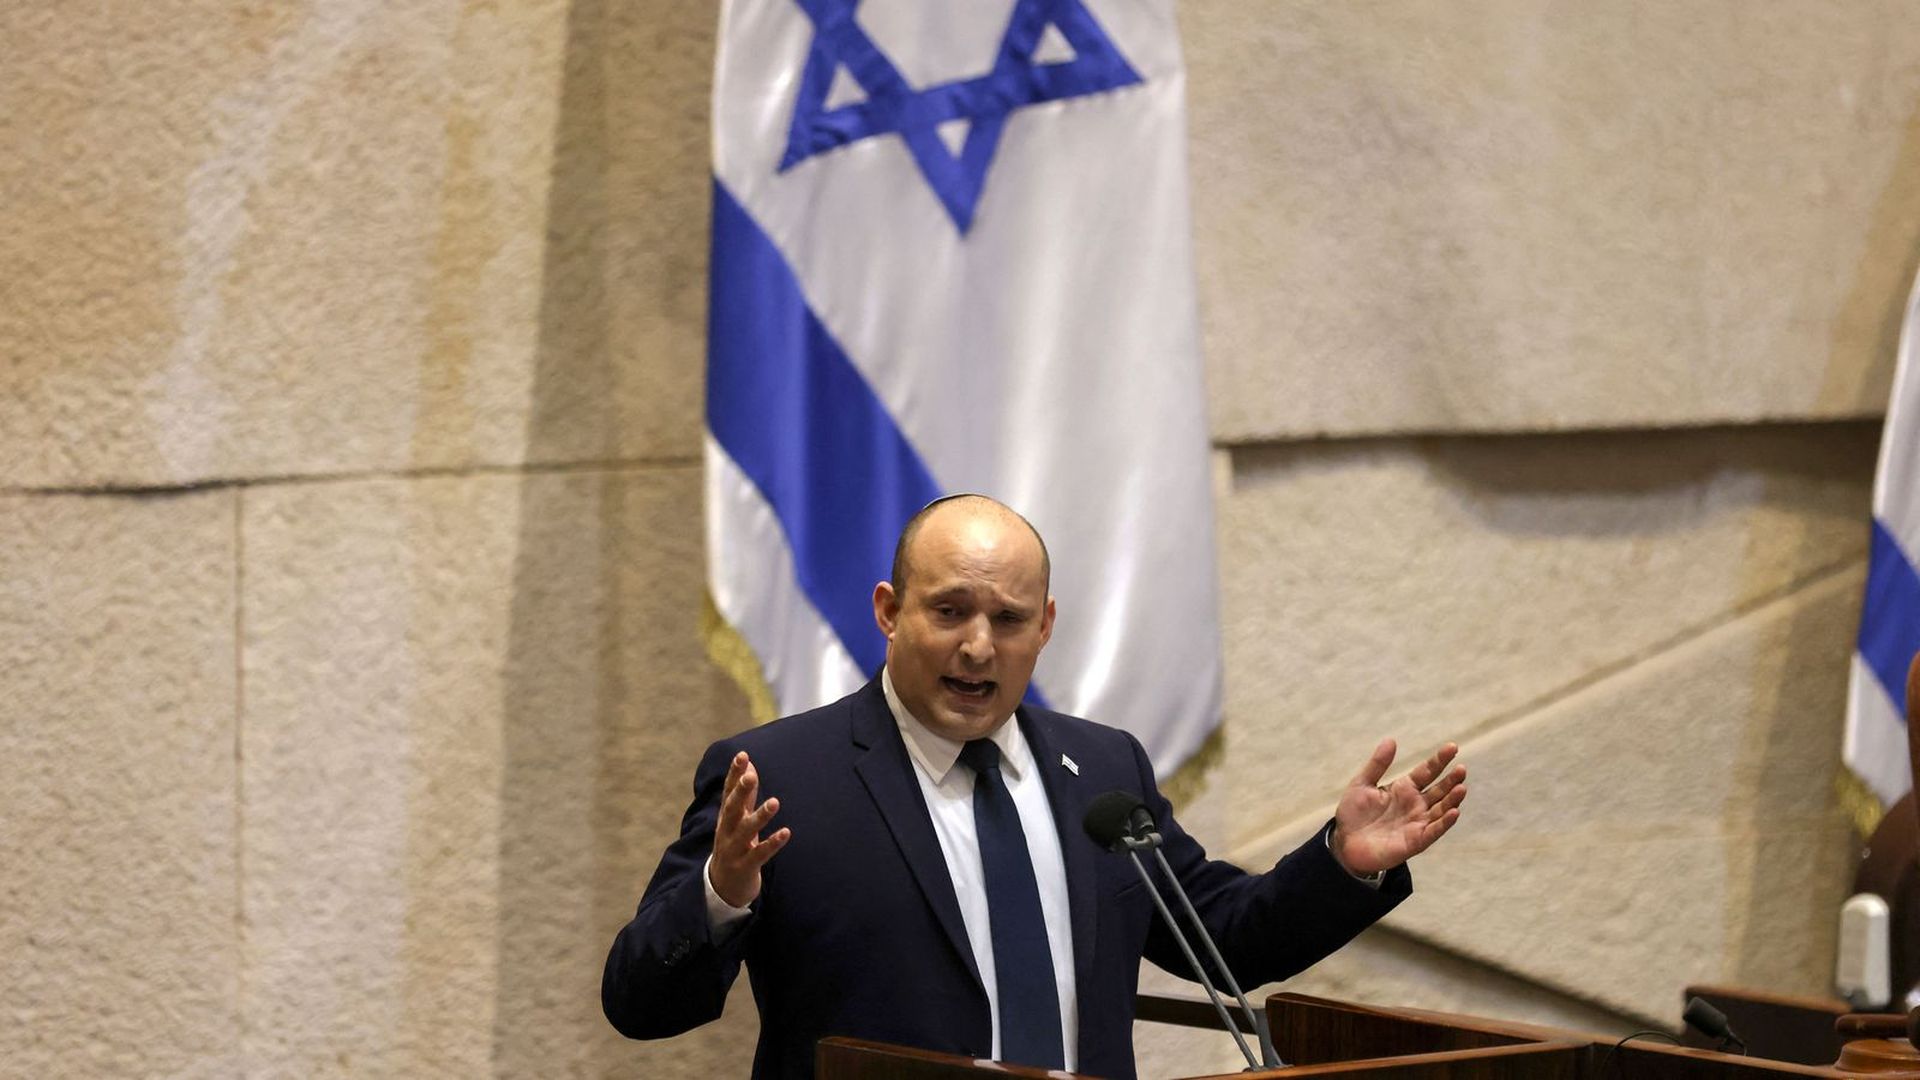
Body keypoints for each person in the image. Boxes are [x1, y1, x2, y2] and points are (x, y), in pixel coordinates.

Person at [603, 495, 1466, 1079]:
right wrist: (721, 895)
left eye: (1008, 620)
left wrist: (1344, 862)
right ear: (887, 611)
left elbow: (1225, 940)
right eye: (948, 612)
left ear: (1044, 627)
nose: (979, 646)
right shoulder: (782, 779)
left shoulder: (1103, 770)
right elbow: (640, 1004)